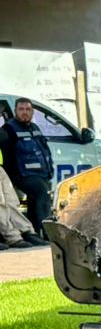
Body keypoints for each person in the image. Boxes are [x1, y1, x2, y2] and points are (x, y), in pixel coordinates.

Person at [0, 98, 56, 235]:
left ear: (32, 112)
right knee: (42, 194)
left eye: (28, 109)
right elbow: (7, 158)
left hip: (41, 174)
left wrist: (50, 170)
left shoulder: (35, 128)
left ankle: (35, 232)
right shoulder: (8, 130)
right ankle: (48, 234)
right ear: (15, 111)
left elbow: (45, 151)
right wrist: (13, 177)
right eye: (21, 109)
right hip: (22, 174)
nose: (24, 112)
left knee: (35, 200)